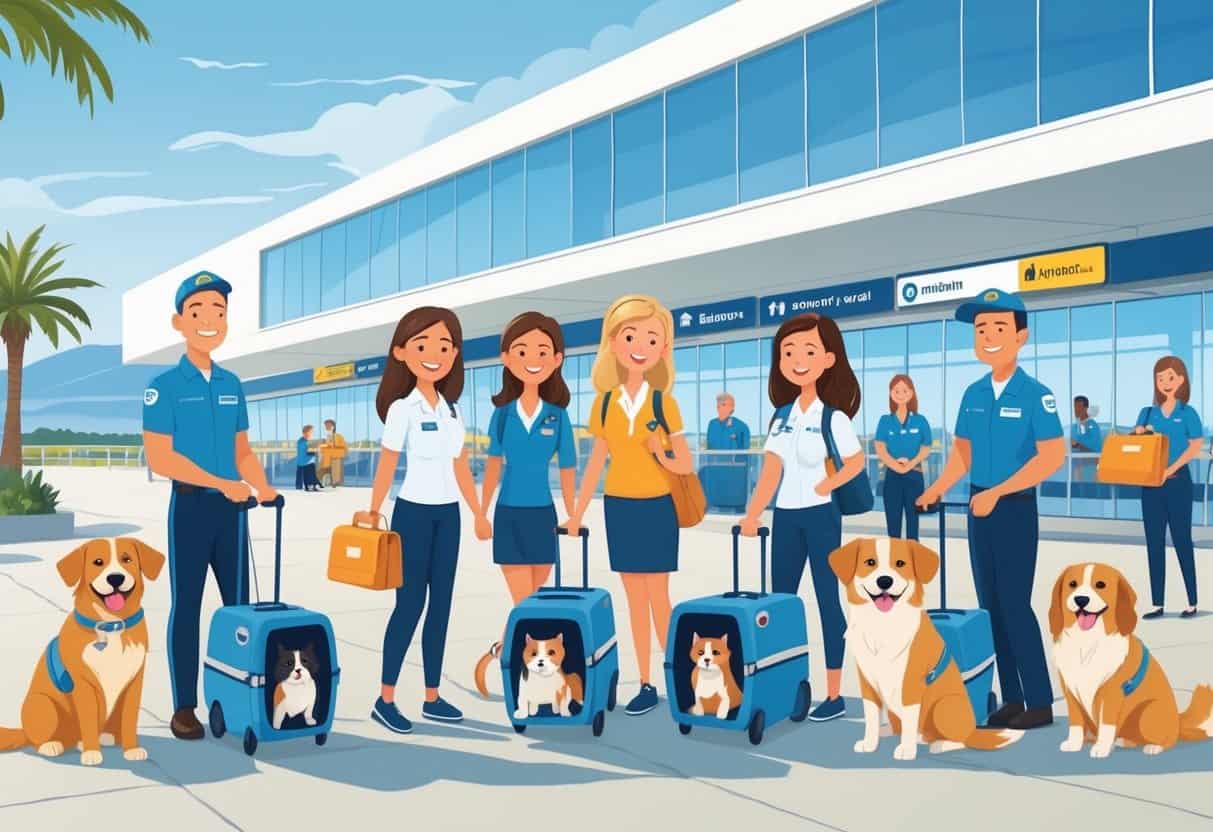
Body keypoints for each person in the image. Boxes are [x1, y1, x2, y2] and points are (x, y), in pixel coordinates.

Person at [917, 289, 1065, 731]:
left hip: (1014, 509)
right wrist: (936, 488)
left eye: (999, 327)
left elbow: (1050, 457)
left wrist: (998, 492)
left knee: (1015, 605)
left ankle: (1039, 701)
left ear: (1021, 337)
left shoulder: (1036, 394)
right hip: (978, 509)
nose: (988, 336)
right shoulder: (973, 393)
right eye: (981, 329)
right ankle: (1013, 698)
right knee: (991, 607)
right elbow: (962, 454)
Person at [142, 270, 278, 740]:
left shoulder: (232, 384)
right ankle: (184, 706)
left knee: (240, 609)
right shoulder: (163, 386)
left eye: (218, 312)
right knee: (188, 606)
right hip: (191, 510)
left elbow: (243, 451)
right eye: (198, 311)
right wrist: (223, 483)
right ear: (178, 322)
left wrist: (263, 486)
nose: (209, 320)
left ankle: (242, 697)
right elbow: (161, 458)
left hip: (232, 513)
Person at [354, 306, 489, 734]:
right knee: (409, 605)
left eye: (445, 346)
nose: (435, 354)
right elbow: (387, 464)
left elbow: (461, 466)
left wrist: (478, 512)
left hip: (448, 516)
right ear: (401, 352)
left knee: (441, 607)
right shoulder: (402, 409)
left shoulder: (453, 411)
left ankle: (432, 697)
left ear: (455, 354)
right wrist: (373, 509)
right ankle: (385, 699)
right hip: (411, 514)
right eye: (423, 345)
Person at [563, 295, 693, 717]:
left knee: (659, 598)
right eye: (631, 336)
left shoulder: (664, 403)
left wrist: (660, 453)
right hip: (619, 507)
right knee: (634, 600)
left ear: (663, 349)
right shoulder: (603, 404)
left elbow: (685, 463)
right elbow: (595, 464)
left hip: (657, 507)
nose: (641, 346)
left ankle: (678, 678)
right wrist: (577, 512)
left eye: (652, 339)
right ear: (614, 343)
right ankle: (646, 683)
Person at [739, 313, 865, 723]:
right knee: (781, 605)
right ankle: (789, 686)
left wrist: (829, 484)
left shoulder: (834, 418)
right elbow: (771, 472)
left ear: (828, 359)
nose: (797, 360)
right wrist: (752, 515)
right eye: (788, 352)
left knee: (828, 601)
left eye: (808, 351)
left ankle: (834, 694)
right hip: (786, 520)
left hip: (822, 517)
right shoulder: (781, 415)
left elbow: (856, 462)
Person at [472, 312, 578, 697]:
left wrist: (573, 514)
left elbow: (568, 468)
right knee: (527, 604)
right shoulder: (502, 415)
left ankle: (504, 651)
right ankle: (519, 671)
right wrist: (481, 513)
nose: (533, 358)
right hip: (509, 515)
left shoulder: (558, 416)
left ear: (557, 359)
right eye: (522, 350)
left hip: (544, 517)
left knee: (530, 605)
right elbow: (492, 467)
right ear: (507, 358)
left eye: (542, 351)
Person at [1134, 356, 1203, 619]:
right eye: (1160, 378)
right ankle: (1157, 603)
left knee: (1182, 540)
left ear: (1181, 380)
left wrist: (1170, 469)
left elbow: (1195, 445)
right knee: (1154, 542)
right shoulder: (1147, 412)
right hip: (1151, 485)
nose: (1165, 382)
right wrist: (1140, 432)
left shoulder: (1187, 412)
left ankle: (1192, 601)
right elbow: (1137, 444)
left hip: (1178, 484)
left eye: (1170, 377)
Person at [873, 374, 932, 540]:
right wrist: (897, 466)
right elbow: (880, 448)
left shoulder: (920, 420)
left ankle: (912, 555)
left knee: (913, 524)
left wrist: (910, 464)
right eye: (896, 390)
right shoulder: (885, 420)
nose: (900, 394)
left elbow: (926, 447)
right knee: (893, 525)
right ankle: (894, 555)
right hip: (892, 477)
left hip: (914, 476)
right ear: (890, 393)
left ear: (911, 393)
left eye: (905, 390)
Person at [702, 392, 752, 512]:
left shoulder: (741, 426)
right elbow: (710, 449)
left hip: (735, 474)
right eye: (723, 404)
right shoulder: (712, 424)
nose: (730, 408)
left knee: (735, 505)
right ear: (717, 407)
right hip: (716, 473)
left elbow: (745, 453)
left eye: (731, 405)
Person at [1071, 396, 1102, 483]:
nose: (1076, 410)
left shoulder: (1093, 426)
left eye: (1079, 407)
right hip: (1077, 457)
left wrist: (1077, 445)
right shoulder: (1075, 426)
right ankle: (1076, 486)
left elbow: (1095, 447)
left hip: (1092, 458)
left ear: (1086, 409)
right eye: (1075, 407)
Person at [319, 419, 347, 486]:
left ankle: (334, 484)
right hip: (327, 457)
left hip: (335, 457)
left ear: (333, 426)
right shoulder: (326, 436)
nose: (326, 427)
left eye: (328, 425)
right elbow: (327, 446)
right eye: (326, 426)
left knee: (335, 474)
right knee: (324, 471)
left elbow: (344, 446)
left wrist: (333, 445)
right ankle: (326, 483)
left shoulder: (338, 436)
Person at [295, 425, 320, 491]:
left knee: (303, 475)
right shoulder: (303, 442)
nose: (310, 434)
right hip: (306, 463)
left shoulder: (301, 441)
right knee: (305, 475)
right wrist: (316, 450)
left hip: (304, 462)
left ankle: (303, 486)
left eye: (311, 433)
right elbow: (310, 452)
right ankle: (303, 486)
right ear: (304, 433)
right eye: (309, 433)